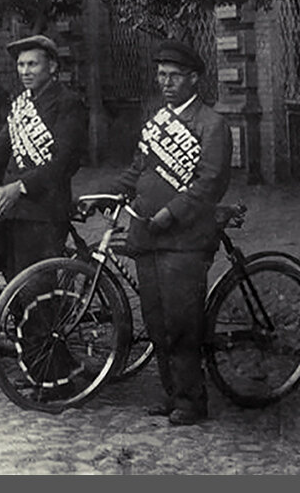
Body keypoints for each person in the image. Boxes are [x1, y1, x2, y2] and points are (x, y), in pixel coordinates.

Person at [108, 39, 232, 426]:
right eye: (161, 75)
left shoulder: (212, 124)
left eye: (174, 76)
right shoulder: (157, 119)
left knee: (182, 324)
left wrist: (170, 213)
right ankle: (172, 392)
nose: (166, 82)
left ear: (194, 79)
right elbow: (139, 167)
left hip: (184, 240)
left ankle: (192, 401)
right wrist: (111, 193)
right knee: (157, 321)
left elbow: (209, 184)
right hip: (147, 234)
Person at [0, 35, 87, 280]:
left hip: (45, 211)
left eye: (32, 64)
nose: (25, 71)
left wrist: (20, 186)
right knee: (13, 285)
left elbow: (65, 162)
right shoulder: (20, 105)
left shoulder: (68, 103)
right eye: (21, 65)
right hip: (13, 210)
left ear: (51, 66)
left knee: (36, 289)